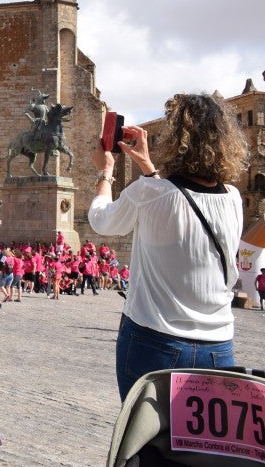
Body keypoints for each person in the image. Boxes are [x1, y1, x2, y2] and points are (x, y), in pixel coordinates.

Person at [89, 93, 247, 401]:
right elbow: (180, 202)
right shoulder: (232, 197)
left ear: (174, 139)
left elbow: (101, 221)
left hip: (155, 342)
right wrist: (147, 166)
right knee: (202, 448)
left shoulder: (149, 193)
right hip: (218, 346)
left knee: (146, 443)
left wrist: (105, 171)